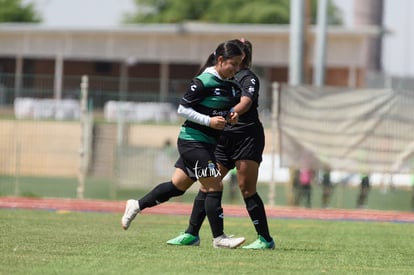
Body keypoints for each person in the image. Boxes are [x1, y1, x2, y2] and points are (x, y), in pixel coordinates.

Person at [121, 40, 246, 249]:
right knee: (214, 183)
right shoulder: (203, 81)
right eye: (233, 63)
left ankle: (137, 204)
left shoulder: (231, 86)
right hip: (192, 141)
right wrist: (209, 122)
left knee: (177, 186)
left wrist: (230, 117)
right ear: (221, 60)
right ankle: (219, 238)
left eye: (239, 64)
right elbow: (182, 109)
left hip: (208, 144)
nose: (236, 68)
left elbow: (218, 111)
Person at [166, 39, 275, 250]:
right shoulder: (219, 78)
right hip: (223, 138)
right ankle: (191, 233)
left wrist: (230, 112)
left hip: (246, 137)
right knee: (209, 184)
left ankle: (265, 239)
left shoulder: (247, 77)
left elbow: (246, 101)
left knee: (246, 188)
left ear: (244, 56)